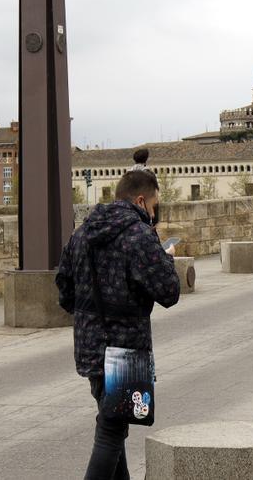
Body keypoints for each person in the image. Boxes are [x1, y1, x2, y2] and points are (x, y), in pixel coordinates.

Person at [56, 169, 180, 480]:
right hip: (125, 351)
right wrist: (166, 257)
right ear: (141, 200)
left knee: (114, 422)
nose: (155, 213)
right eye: (155, 206)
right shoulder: (138, 236)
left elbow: (64, 290)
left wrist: (92, 319)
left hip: (89, 347)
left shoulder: (82, 233)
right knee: (111, 431)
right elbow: (169, 292)